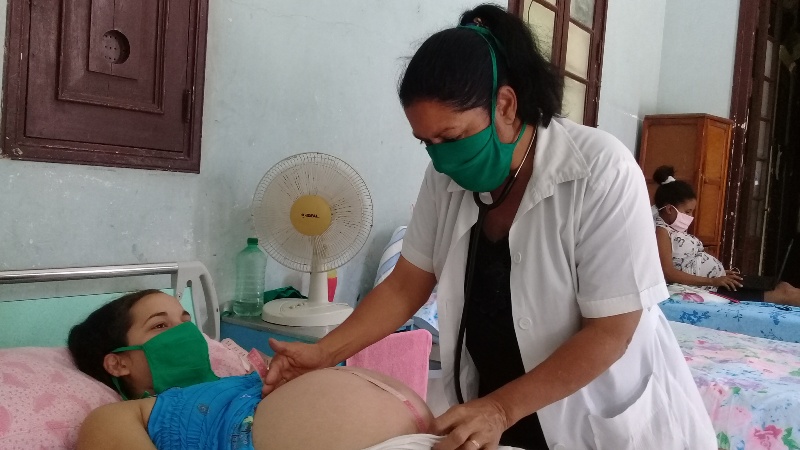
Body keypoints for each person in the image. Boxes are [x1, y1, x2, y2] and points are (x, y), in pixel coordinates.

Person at [263, 5, 717, 450]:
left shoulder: (599, 170)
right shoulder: (445, 179)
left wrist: (501, 408)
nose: (441, 158)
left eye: (453, 137)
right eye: (427, 142)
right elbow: (405, 286)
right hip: (496, 413)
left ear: (504, 104)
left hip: (592, 417)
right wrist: (323, 353)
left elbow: (611, 331)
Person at [68, 289, 437, 450]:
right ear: (117, 361)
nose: (186, 333)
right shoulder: (119, 417)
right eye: (161, 327)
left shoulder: (244, 378)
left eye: (186, 320)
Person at [653, 165, 800, 306]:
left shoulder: (675, 230)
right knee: (784, 294)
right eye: (687, 211)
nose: (691, 216)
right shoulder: (662, 231)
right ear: (669, 209)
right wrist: (713, 281)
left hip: (718, 280)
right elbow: (669, 273)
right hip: (713, 287)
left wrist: (719, 273)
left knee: (783, 286)